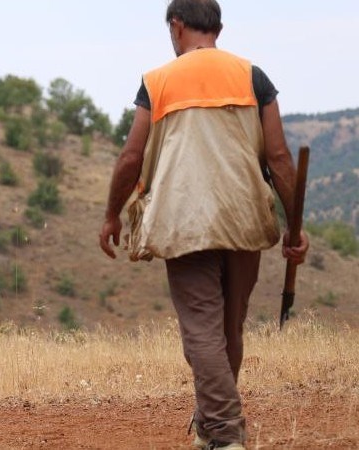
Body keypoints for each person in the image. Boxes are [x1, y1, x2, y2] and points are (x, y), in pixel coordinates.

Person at [98, 0, 309, 449]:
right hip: (244, 218)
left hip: (184, 220)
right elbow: (278, 158)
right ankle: (212, 429)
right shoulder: (253, 76)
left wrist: (111, 214)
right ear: (218, 28)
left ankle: (227, 435)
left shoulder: (158, 82)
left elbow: (132, 156)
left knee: (201, 334)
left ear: (176, 27)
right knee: (227, 331)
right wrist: (293, 227)